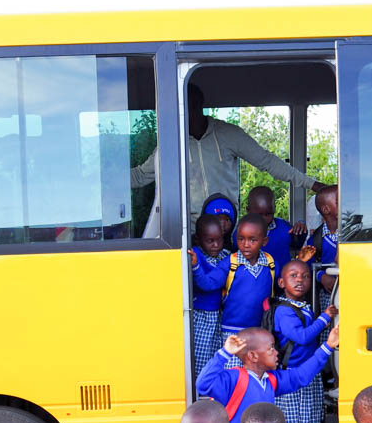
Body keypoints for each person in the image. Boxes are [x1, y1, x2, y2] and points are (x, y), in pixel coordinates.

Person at [131, 84, 325, 227]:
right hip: (191, 234)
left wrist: (313, 185)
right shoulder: (173, 144)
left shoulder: (228, 134)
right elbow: (141, 176)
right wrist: (103, 182)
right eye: (178, 109)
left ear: (199, 105)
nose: (182, 114)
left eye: (187, 107)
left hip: (228, 228)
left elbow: (267, 161)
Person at [196, 326, 338, 423]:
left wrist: (328, 346)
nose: (276, 352)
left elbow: (301, 376)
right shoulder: (234, 379)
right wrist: (224, 353)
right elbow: (203, 383)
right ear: (253, 356)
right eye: (271, 348)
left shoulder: (270, 380)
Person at [269, 256, 337, 423]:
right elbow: (302, 337)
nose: (300, 280)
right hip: (289, 375)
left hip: (309, 373)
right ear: (281, 283)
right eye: (294, 276)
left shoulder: (304, 306)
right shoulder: (283, 311)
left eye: (306, 276)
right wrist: (325, 319)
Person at [220, 214, 275, 346]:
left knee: (255, 365)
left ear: (264, 241)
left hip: (260, 329)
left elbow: (284, 281)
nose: (246, 245)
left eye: (252, 240)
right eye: (241, 239)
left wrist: (300, 261)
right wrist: (195, 267)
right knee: (232, 366)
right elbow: (209, 283)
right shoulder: (230, 263)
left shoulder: (270, 263)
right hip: (232, 330)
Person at [190, 214, 230, 374]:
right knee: (201, 361)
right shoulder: (195, 256)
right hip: (201, 317)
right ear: (199, 240)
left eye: (219, 240)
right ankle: (200, 395)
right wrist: (196, 266)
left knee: (216, 360)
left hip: (219, 317)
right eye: (210, 241)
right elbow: (203, 283)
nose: (215, 245)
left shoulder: (226, 255)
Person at [245, 185, 306, 279]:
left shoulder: (284, 227)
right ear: (248, 211)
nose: (264, 219)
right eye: (259, 214)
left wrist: (301, 229)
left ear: (274, 209)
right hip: (255, 285)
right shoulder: (242, 232)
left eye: (268, 214)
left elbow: (297, 244)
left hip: (283, 284)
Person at [307, 184, 339, 312]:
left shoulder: (353, 232)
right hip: (328, 293)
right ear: (326, 210)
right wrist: (321, 276)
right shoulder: (316, 239)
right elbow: (308, 266)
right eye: (339, 201)